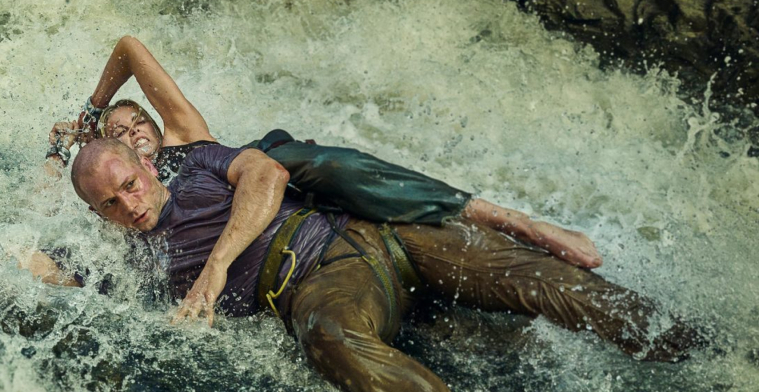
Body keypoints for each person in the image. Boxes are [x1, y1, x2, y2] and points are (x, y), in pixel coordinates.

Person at [69, 137, 703, 392]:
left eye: (129, 184)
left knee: (547, 281)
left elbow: (267, 172)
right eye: (110, 204)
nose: (130, 204)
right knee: (329, 337)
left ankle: (707, 355)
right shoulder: (133, 266)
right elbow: (57, 280)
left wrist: (215, 267)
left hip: (374, 230)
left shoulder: (197, 162)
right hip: (319, 287)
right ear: (98, 215)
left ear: (144, 164)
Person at [48, 35, 603, 271]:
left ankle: (511, 220)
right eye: (114, 132)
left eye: (135, 122)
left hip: (273, 175)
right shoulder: (121, 206)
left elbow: (128, 46)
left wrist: (92, 108)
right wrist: (57, 153)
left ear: (152, 124)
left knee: (319, 162)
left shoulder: (183, 135)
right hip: (267, 245)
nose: (129, 133)